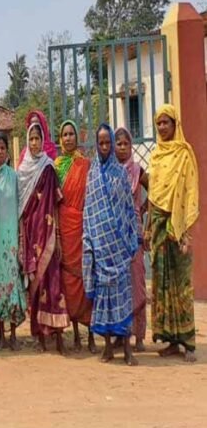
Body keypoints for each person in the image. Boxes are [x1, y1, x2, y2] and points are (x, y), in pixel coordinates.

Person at [82, 125, 141, 366]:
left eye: (109, 143)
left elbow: (128, 208)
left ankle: (127, 350)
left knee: (123, 301)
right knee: (104, 301)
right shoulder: (92, 175)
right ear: (97, 145)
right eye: (102, 143)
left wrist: (131, 239)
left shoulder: (121, 174)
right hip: (100, 247)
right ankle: (107, 348)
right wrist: (89, 243)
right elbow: (89, 212)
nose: (106, 147)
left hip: (119, 249)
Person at [146, 104, 199, 363]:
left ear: (175, 123)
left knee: (181, 285)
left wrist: (184, 230)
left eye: (166, 122)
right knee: (162, 284)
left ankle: (188, 342)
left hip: (177, 228)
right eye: (159, 123)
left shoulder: (184, 153)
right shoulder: (155, 155)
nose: (162, 127)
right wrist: (148, 227)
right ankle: (171, 340)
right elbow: (152, 194)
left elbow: (190, 192)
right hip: (157, 225)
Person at [18, 122, 68, 354]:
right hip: (31, 234)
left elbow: (55, 203)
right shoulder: (22, 171)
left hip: (47, 233)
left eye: (38, 139)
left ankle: (58, 334)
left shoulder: (48, 168)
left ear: (43, 140)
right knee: (36, 287)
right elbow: (20, 208)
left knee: (54, 283)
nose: (34, 143)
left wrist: (56, 234)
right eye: (31, 139)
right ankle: (39, 336)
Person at [55, 120, 95, 352]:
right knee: (68, 282)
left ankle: (91, 334)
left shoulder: (86, 165)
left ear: (77, 137)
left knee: (86, 278)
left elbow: (91, 197)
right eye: (65, 134)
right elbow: (53, 201)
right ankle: (77, 334)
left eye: (71, 134)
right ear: (60, 139)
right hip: (64, 228)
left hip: (83, 227)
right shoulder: (56, 166)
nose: (68, 138)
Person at [0, 133, 26, 350]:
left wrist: (20, 237)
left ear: (7, 151)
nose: (0, 151)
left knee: (13, 283)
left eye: (3, 148)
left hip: (11, 236)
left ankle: (13, 334)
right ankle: (1, 333)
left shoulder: (14, 176)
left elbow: (20, 209)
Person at [114, 127, 149, 352]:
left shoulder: (137, 170)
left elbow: (153, 188)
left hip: (134, 234)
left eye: (126, 143)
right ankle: (121, 336)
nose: (122, 147)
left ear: (131, 146)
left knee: (137, 283)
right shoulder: (109, 171)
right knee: (120, 286)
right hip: (115, 237)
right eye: (118, 144)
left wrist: (143, 210)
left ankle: (139, 337)